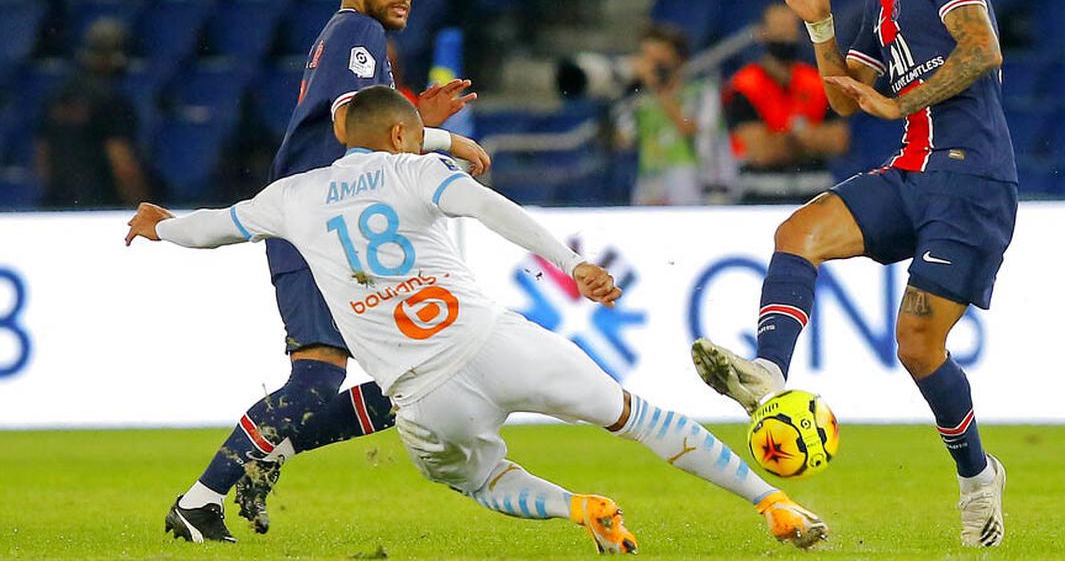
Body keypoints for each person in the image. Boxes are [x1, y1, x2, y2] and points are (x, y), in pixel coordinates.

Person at [128, 86, 828, 553]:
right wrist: (569, 262)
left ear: (342, 135)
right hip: (494, 340)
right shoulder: (415, 171)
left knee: (483, 480)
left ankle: (574, 508)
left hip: (423, 395)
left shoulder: (293, 195)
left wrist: (160, 228)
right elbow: (494, 210)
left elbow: (211, 230)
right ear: (403, 134)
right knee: (634, 414)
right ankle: (772, 504)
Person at [690, 0, 1016, 548]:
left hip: (970, 179)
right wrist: (819, 28)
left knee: (917, 346)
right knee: (797, 232)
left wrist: (900, 99)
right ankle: (770, 374)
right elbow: (843, 95)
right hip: (911, 171)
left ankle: (976, 475)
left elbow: (982, 49)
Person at [164, 0, 488, 542]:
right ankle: (197, 504)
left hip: (346, 233)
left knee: (413, 386)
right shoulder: (357, 33)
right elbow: (346, 122)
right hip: (315, 226)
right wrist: (441, 138)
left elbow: (362, 134)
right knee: (316, 378)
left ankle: (271, 455)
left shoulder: (355, 41)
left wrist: (416, 120)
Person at [726, 4, 851, 203]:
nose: (786, 38)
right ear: (762, 33)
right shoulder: (744, 86)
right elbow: (762, 152)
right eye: (779, 31)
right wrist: (808, 139)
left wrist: (780, 139)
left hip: (815, 192)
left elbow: (839, 140)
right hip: (760, 194)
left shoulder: (817, 81)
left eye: (790, 31)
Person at [35, 18, 149, 208]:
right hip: (101, 204)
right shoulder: (111, 99)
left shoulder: (57, 96)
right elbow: (121, 161)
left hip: (58, 203)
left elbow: (42, 156)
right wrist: (139, 206)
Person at [614, 24, 706, 205]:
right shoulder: (640, 99)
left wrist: (659, 90)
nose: (651, 65)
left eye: (658, 58)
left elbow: (690, 127)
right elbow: (623, 140)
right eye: (647, 57)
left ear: (677, 58)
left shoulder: (700, 92)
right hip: (650, 176)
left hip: (688, 176)